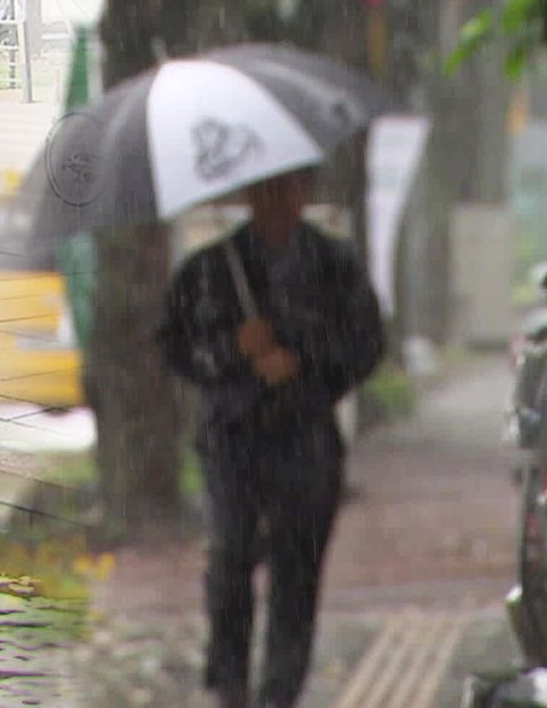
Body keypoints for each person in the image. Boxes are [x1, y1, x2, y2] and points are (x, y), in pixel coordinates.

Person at [157, 167, 384, 708]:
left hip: (305, 443)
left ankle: (280, 693)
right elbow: (176, 346)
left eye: (289, 187)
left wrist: (305, 362)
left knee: (296, 577)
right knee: (230, 558)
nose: (277, 199)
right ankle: (229, 685)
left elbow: (367, 342)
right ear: (247, 193)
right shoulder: (210, 270)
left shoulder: (334, 266)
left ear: (305, 190)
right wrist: (234, 348)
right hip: (232, 442)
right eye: (265, 188)